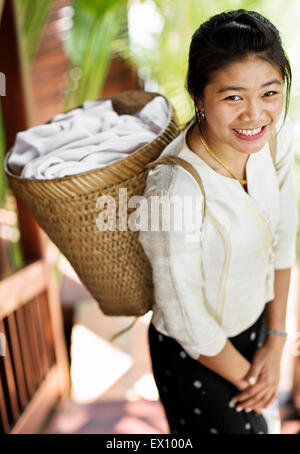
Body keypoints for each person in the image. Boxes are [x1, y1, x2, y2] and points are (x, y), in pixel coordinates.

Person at [137, 9, 299, 434]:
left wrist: (276, 342)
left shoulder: (276, 138)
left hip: (259, 326)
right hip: (196, 353)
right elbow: (184, 316)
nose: (255, 115)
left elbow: (282, 240)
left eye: (269, 92)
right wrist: (257, 382)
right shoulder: (173, 188)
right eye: (232, 97)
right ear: (197, 95)